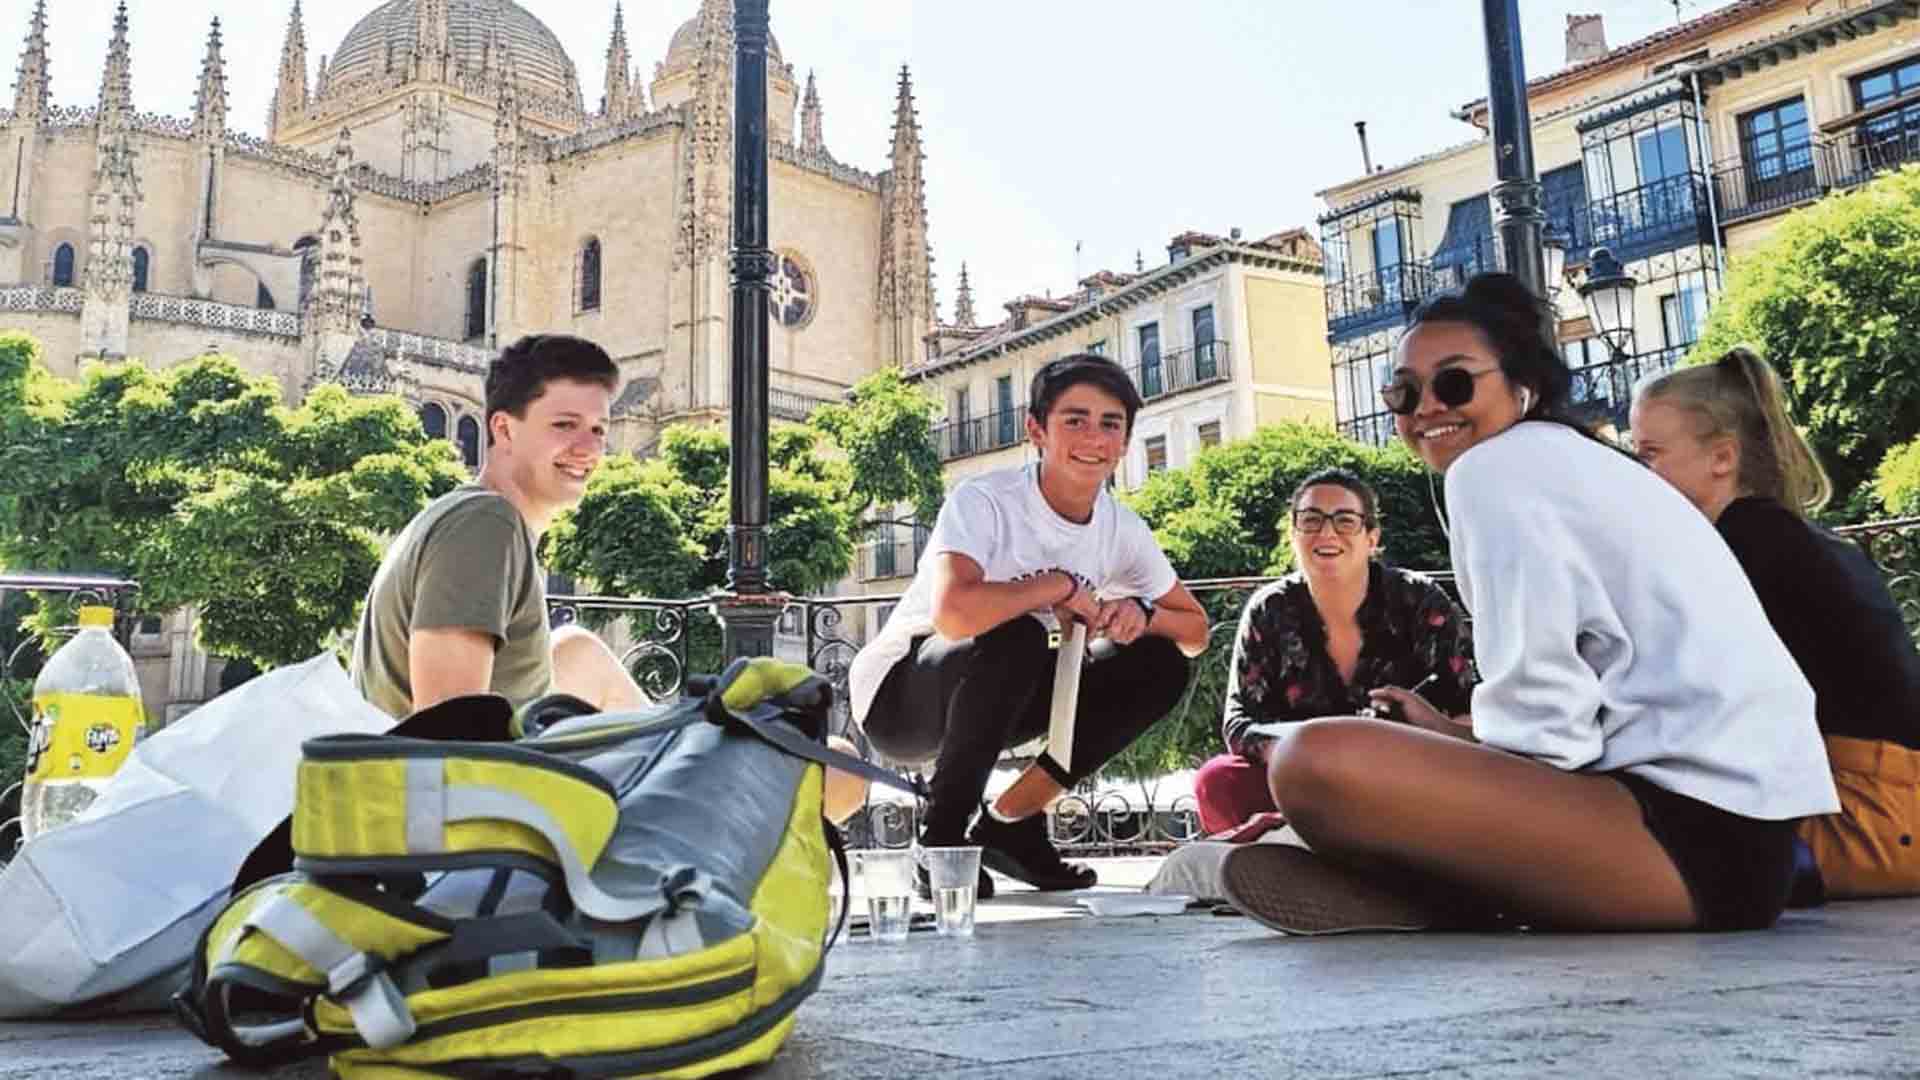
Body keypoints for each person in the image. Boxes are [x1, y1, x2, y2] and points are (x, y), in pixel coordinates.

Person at [1216, 273, 1838, 935]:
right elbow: (1574, 707)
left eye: (1455, 382)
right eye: (1403, 392)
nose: (1426, 407)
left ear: (1524, 386)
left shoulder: (1494, 469)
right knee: (1340, 762)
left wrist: (1400, 790)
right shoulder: (1570, 460)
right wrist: (1447, 741)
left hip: (1688, 846)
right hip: (1737, 845)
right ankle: (1441, 892)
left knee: (1310, 763)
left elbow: (1545, 730)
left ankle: (1434, 894)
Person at [350, 333, 869, 824]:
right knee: (841, 772)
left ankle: (689, 771)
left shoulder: (474, 518)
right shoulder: (485, 524)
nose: (588, 448)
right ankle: (700, 799)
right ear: (503, 429)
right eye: (564, 425)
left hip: (507, 784)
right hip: (484, 823)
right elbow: (445, 742)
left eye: (598, 430)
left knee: (576, 649)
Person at [850, 354, 1209, 896]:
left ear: (1125, 442)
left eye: (1110, 424)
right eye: (1075, 420)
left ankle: (1011, 823)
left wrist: (1142, 613)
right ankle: (941, 842)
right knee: (1017, 635)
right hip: (901, 698)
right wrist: (1056, 587)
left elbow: (1195, 632)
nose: (1094, 437)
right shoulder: (984, 500)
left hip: (1004, 694)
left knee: (1160, 662)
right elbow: (954, 615)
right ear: (1036, 430)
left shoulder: (1122, 529)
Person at [1632, 346, 1920, 898]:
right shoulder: (1778, 533)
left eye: (1650, 455)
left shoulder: (1746, 547)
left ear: (1722, 458)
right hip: (1890, 809)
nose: (1637, 475)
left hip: (1866, 821)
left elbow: (1668, 697)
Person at [1193, 468, 1474, 835]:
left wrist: (1424, 721)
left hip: (1400, 780)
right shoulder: (1269, 609)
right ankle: (1284, 849)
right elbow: (1239, 722)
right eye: (1311, 520)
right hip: (1299, 780)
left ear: (1371, 537)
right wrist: (1287, 754)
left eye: (1345, 520)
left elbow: (1468, 712)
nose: (1326, 533)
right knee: (1217, 781)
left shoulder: (1420, 600)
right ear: (1293, 534)